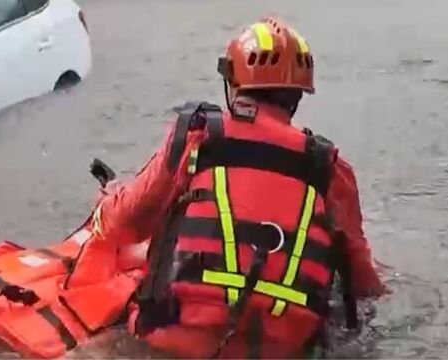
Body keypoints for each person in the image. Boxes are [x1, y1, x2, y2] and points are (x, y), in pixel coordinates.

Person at [68, 16, 388, 359]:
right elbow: (363, 284)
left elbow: (125, 223)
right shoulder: (331, 168)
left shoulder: (195, 135)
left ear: (233, 85)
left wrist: (109, 198)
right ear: (297, 95)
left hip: (175, 343)